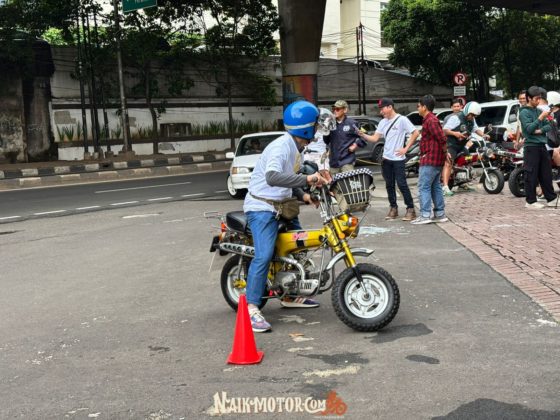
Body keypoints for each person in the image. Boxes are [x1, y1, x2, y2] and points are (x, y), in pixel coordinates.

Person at [243, 100, 330, 332]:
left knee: (298, 249)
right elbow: (272, 177)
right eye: (315, 125)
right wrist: (308, 179)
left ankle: (290, 295)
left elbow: (289, 179)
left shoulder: (297, 148)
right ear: (306, 127)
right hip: (262, 207)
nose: (317, 129)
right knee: (264, 255)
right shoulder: (281, 147)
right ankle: (252, 308)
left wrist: (305, 196)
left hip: (283, 205)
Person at [357, 98, 420, 221]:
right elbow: (375, 138)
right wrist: (363, 135)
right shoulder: (382, 122)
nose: (381, 111)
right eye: (380, 109)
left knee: (401, 184)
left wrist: (405, 148)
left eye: (383, 109)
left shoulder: (402, 120)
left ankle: (410, 209)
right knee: (389, 185)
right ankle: (393, 208)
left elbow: (415, 133)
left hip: (398, 159)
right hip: (386, 159)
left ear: (390, 107)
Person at [411, 94, 448, 225]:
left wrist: (446, 152)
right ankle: (439, 214)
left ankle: (425, 215)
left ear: (424, 107)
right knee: (435, 186)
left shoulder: (430, 120)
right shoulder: (430, 120)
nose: (418, 108)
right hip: (434, 158)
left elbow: (441, 137)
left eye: (419, 106)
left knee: (424, 186)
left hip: (430, 158)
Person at [519, 86, 557, 209]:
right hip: (531, 147)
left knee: (546, 174)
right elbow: (529, 129)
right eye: (536, 99)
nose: (538, 101)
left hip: (542, 145)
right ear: (529, 98)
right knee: (531, 174)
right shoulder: (524, 112)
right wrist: (540, 119)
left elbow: (549, 126)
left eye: (540, 98)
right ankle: (530, 201)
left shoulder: (539, 110)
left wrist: (539, 130)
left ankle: (551, 198)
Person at [441, 101, 489, 196]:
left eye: (475, 116)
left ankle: (462, 183)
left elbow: (476, 129)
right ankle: (445, 187)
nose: (473, 117)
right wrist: (455, 133)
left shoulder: (472, 120)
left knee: (468, 160)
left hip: (461, 146)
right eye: (472, 115)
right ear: (467, 111)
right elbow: (444, 130)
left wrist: (483, 135)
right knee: (449, 163)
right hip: (451, 145)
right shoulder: (456, 118)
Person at [323, 100, 366, 174]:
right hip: (334, 162)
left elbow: (364, 136)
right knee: (334, 181)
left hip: (347, 161)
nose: (335, 111)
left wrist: (356, 144)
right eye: (333, 109)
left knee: (347, 181)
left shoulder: (352, 123)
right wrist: (326, 130)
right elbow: (326, 141)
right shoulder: (331, 124)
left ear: (345, 110)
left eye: (337, 109)